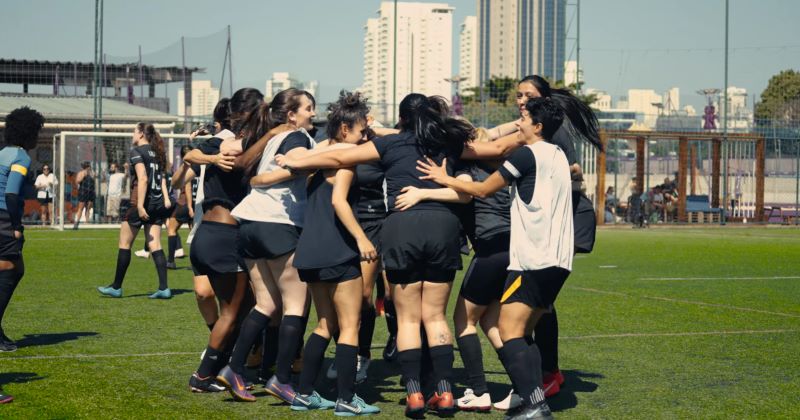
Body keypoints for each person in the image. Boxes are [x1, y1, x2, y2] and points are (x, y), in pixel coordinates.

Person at [276, 93, 523, 418]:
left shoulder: (390, 146)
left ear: (402, 119)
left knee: (407, 318)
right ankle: (446, 394)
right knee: (435, 316)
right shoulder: (447, 143)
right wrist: (525, 131)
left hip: (401, 229)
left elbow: (339, 158)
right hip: (443, 229)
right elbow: (473, 182)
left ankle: (415, 395)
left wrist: (296, 161)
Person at [416, 97, 573, 420]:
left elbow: (485, 189)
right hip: (559, 261)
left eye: (525, 118)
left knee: (509, 331)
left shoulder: (527, 155)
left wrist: (443, 178)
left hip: (533, 259)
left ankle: (532, 404)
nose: (519, 124)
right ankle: (534, 400)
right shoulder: (557, 155)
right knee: (521, 332)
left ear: (538, 126)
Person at [181, 88, 288, 394]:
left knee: (249, 306)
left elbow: (190, 153)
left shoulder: (222, 141)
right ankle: (203, 375)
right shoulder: (247, 145)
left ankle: (230, 368)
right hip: (225, 237)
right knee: (235, 311)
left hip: (206, 235)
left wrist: (211, 156)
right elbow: (192, 154)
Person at [280, 91, 380, 415]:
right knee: (349, 326)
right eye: (361, 132)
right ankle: (347, 400)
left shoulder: (314, 158)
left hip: (309, 253)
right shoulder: (345, 158)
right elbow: (339, 202)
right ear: (343, 131)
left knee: (325, 324)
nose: (365, 137)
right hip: (337, 250)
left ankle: (306, 393)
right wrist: (363, 239)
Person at [214, 88, 317, 404]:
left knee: (266, 304)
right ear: (292, 114)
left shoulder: (271, 138)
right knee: (296, 306)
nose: (313, 113)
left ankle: (234, 369)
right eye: (308, 108)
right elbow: (298, 163)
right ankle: (282, 379)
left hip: (250, 224)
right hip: (278, 223)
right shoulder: (297, 138)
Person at [96, 123, 173, 299]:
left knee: (124, 244)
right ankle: (164, 288)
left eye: (134, 131)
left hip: (141, 203)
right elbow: (160, 179)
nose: (132, 134)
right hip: (157, 203)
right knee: (155, 245)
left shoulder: (137, 152)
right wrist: (165, 199)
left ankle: (116, 287)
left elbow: (143, 178)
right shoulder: (158, 154)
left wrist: (139, 206)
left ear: (140, 134)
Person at [0, 106, 44, 355]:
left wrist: (37, 194)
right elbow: (11, 193)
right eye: (37, 132)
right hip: (4, 218)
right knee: (11, 269)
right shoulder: (21, 157)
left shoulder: (3, 153)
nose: (38, 137)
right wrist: (16, 226)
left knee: (13, 269)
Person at [165, 145, 195, 269]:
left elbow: (187, 187)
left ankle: (171, 261)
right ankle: (195, 264)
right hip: (195, 204)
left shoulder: (187, 168)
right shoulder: (199, 166)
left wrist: (189, 207)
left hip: (185, 204)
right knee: (194, 234)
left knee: (171, 229)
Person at [73, 161, 96, 229]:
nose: (89, 167)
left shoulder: (91, 173)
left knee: (88, 208)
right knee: (81, 208)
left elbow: (95, 178)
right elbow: (77, 181)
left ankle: (87, 222)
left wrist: (92, 174)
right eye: (88, 166)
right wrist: (83, 176)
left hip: (90, 192)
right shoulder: (81, 173)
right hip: (83, 192)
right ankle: (77, 222)